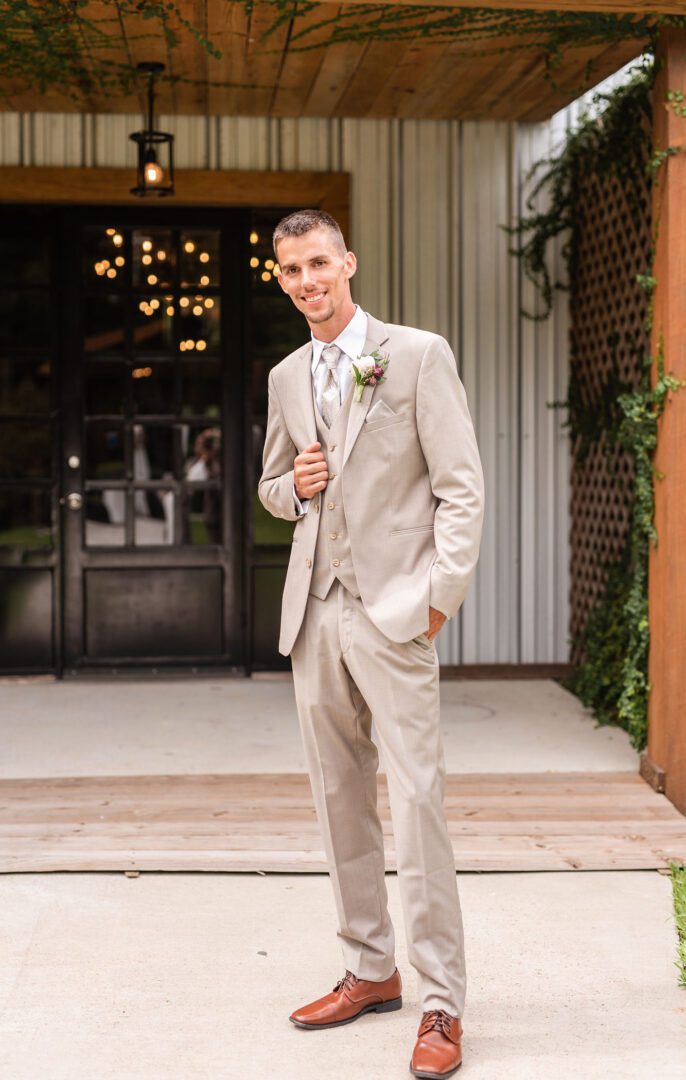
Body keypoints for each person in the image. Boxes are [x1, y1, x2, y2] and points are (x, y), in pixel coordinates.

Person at [258, 208, 485, 1079]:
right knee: (337, 796)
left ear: (346, 262)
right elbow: (276, 485)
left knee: (417, 800)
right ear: (280, 280)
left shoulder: (417, 354)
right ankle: (369, 969)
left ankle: (440, 1004)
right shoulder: (285, 375)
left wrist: (437, 603)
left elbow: (461, 488)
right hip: (315, 609)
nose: (308, 281)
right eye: (291, 271)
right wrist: (294, 486)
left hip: (396, 611)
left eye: (319, 263)